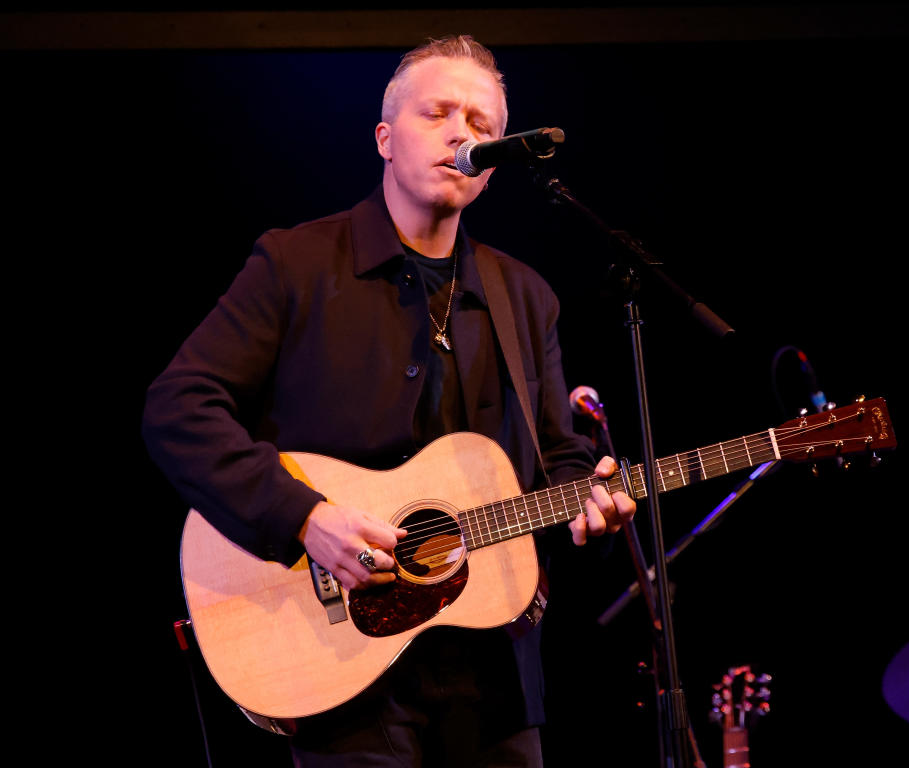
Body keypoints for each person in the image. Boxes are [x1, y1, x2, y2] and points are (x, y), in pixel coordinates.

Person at [142, 34, 635, 767]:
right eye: (438, 112)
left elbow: (558, 453)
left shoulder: (524, 296)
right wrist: (305, 517)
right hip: (340, 669)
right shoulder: (296, 264)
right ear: (384, 137)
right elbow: (178, 406)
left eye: (481, 124)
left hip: (494, 671)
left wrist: (586, 495)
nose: (461, 133)